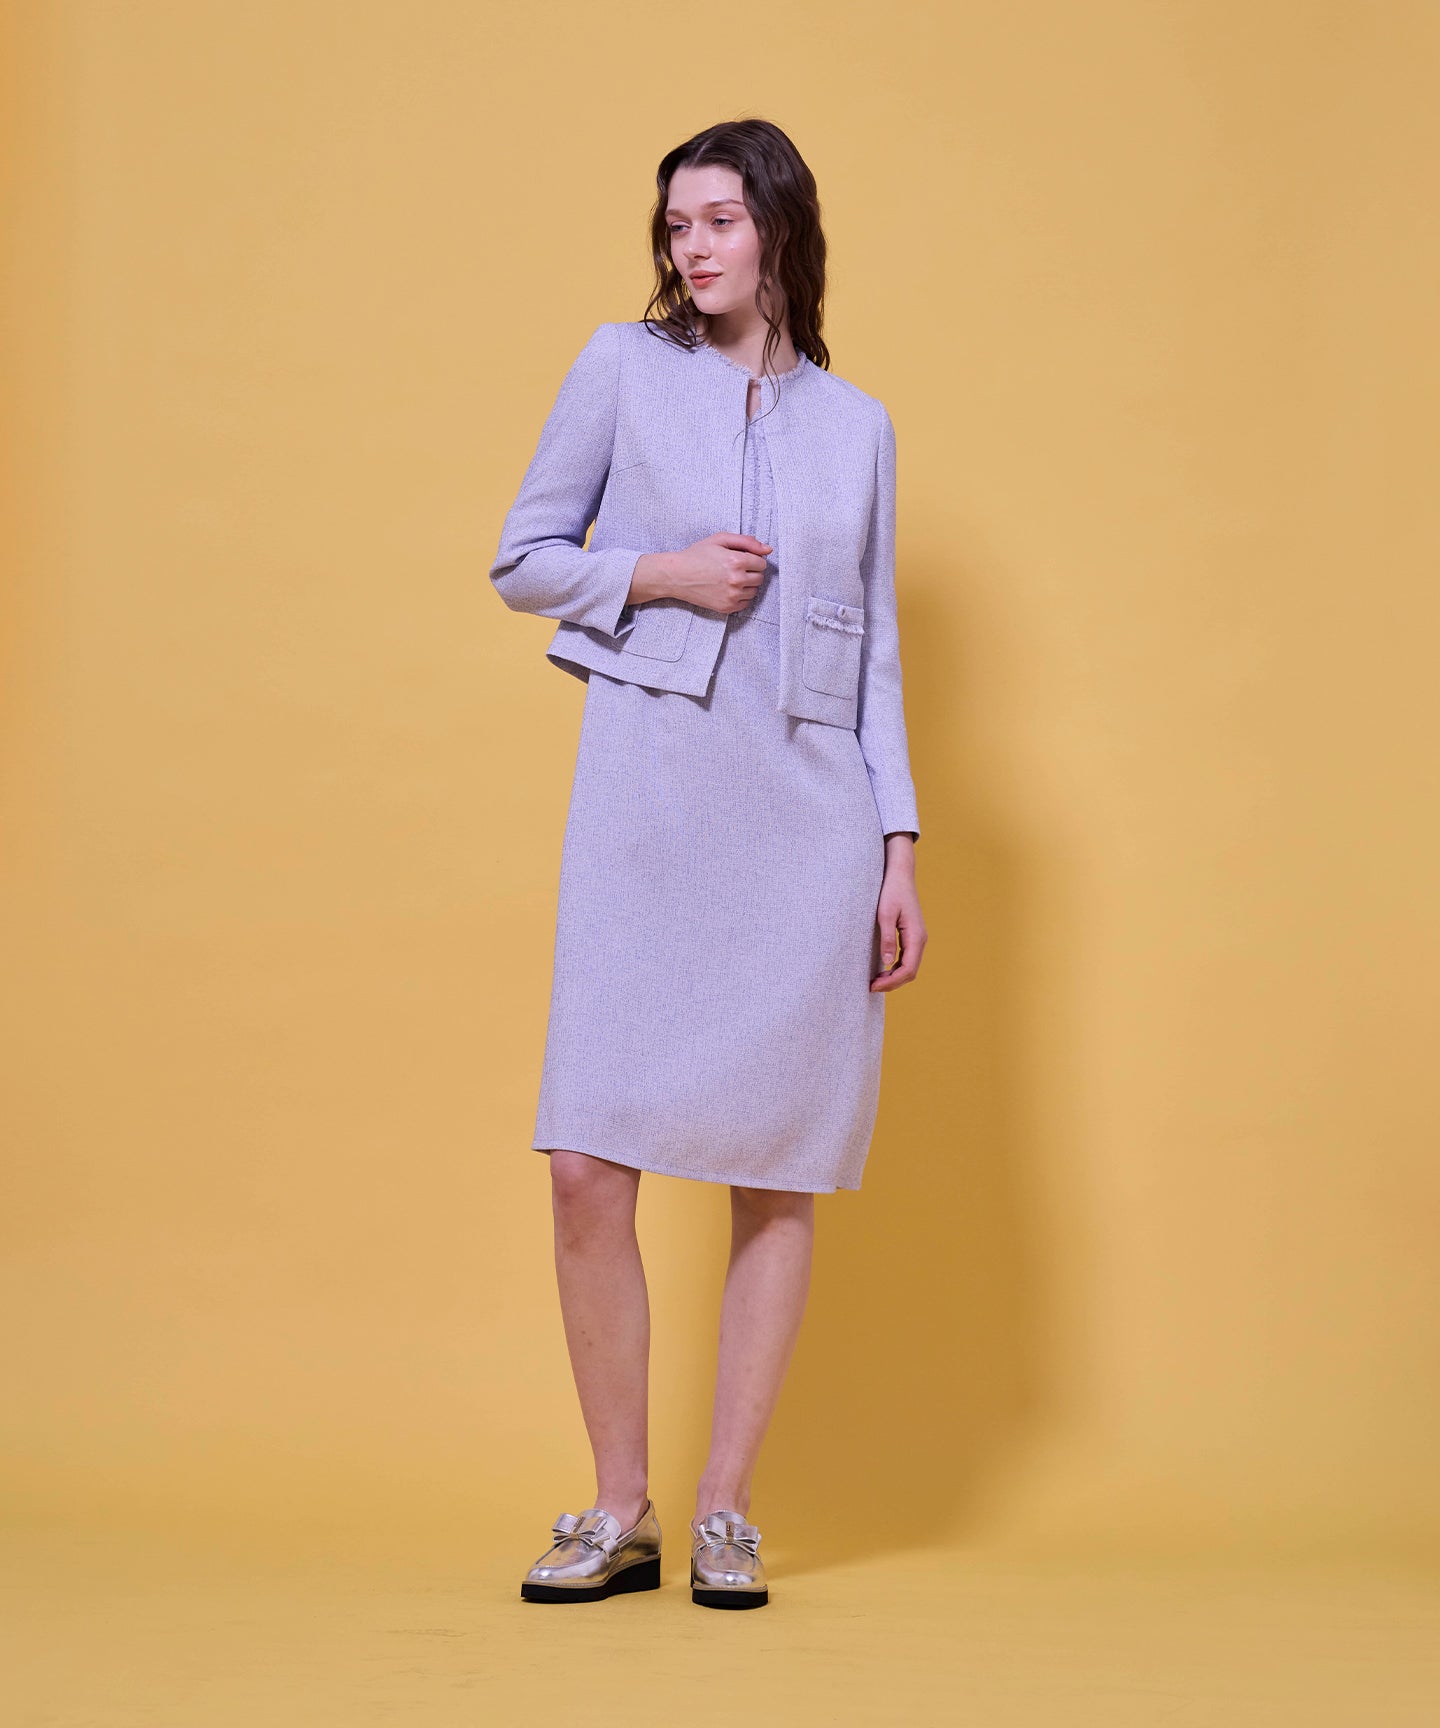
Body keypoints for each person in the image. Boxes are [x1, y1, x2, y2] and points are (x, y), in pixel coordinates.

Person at [489, 118, 926, 1610]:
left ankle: (726, 1509)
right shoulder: (623, 367)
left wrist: (897, 842)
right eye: (677, 224)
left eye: (721, 220)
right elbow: (522, 556)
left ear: (780, 229)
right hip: (648, 796)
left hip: (809, 820)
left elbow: (876, 654)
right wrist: (660, 573)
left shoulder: (857, 425)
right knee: (583, 1165)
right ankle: (620, 1507)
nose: (693, 246)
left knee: (776, 1172)